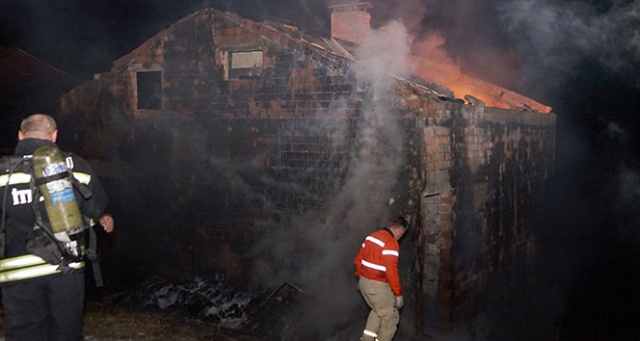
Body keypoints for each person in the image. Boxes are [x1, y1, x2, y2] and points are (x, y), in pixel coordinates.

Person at [0, 113, 114, 341]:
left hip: (16, 271)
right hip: (66, 267)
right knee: (65, 334)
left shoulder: (3, 171)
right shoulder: (76, 165)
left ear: (21, 135)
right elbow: (98, 207)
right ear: (54, 136)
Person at [354, 216, 408, 341]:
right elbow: (391, 272)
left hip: (364, 283)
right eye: (402, 234)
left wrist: (362, 278)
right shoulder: (391, 242)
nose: (401, 237)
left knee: (378, 311)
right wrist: (398, 294)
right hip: (377, 286)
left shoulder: (371, 236)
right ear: (400, 230)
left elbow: (357, 261)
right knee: (391, 316)